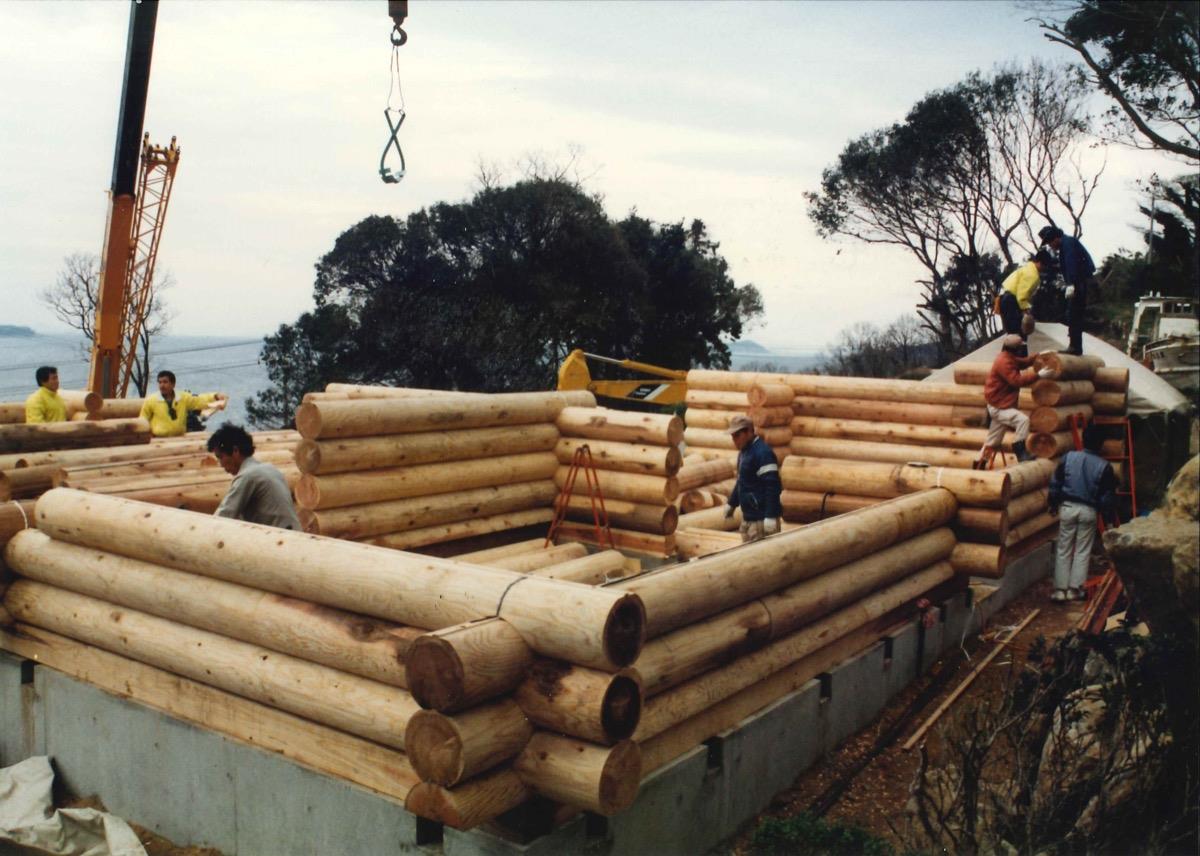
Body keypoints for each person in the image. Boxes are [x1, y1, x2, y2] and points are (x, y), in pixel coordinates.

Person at [1047, 424, 1117, 603]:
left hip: (1068, 507)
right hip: (1089, 511)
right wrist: (1108, 521)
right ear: (1100, 444)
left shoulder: (1068, 457)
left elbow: (1056, 483)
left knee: (1063, 549)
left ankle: (1059, 591)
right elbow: (1107, 497)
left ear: (1084, 440)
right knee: (1082, 551)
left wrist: (1053, 504)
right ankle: (1075, 590)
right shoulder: (1105, 466)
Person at [208, 424, 301, 530]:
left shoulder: (248, 476)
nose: (220, 464)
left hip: (279, 541)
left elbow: (222, 516)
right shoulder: (270, 469)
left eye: (220, 457)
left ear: (235, 451)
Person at [976, 334, 1046, 467]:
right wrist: (1038, 375)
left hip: (999, 404)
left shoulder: (1008, 357)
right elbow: (1016, 381)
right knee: (1023, 420)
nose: (1021, 350)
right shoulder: (1004, 362)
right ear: (1015, 349)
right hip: (999, 407)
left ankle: (978, 464)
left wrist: (1038, 355)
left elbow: (1023, 362)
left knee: (993, 441)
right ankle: (1020, 450)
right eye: (1020, 348)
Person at [723, 414, 782, 543]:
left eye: (737, 436)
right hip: (749, 518)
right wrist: (732, 503)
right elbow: (742, 481)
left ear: (749, 431)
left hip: (761, 520)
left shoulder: (763, 453)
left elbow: (772, 485)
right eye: (733, 436)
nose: (734, 440)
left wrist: (771, 515)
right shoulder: (744, 452)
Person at [1038, 225, 1096, 356]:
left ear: (1055, 238)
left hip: (1079, 281)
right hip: (1079, 280)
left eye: (1049, 242)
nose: (1050, 246)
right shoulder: (1067, 244)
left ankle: (1075, 347)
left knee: (1074, 313)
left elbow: (1071, 264)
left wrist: (1071, 283)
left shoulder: (1068, 244)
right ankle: (1075, 345)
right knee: (1073, 313)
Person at [140, 370, 227, 437]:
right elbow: (143, 420)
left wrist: (215, 396)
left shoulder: (183, 398)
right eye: (160, 382)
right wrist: (147, 435)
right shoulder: (151, 400)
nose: (162, 385)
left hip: (180, 439)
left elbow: (199, 400)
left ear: (173, 384)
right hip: (158, 440)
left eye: (165, 382)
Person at [997, 249, 1055, 341]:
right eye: (1045, 266)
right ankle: (1018, 355)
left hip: (1006, 298)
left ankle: (1010, 355)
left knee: (1012, 336)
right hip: (1012, 301)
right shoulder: (1032, 275)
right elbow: (1022, 297)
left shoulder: (1027, 268)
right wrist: (1026, 311)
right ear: (1041, 263)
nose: (1045, 269)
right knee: (1018, 337)